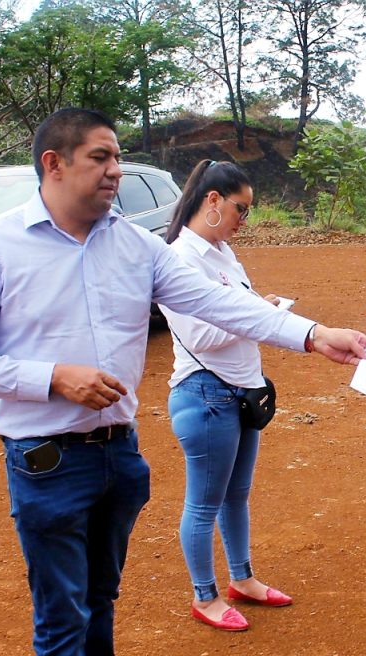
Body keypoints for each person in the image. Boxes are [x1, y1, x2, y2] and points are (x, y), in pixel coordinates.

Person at [0, 108, 366, 656]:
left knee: (100, 601)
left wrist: (314, 334)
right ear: (54, 163)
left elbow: (220, 304)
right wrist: (53, 378)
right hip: (46, 461)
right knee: (62, 616)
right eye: (100, 157)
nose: (115, 169)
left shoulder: (137, 247)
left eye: (117, 157)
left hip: (118, 455)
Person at [158, 160, 294, 632]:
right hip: (205, 394)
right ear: (212, 199)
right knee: (203, 503)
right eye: (241, 209)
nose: (244, 220)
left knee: (237, 495)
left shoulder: (222, 254)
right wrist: (258, 315)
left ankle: (242, 579)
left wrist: (258, 309)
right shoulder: (179, 258)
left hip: (241, 391)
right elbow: (202, 334)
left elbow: (237, 313)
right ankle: (205, 596)